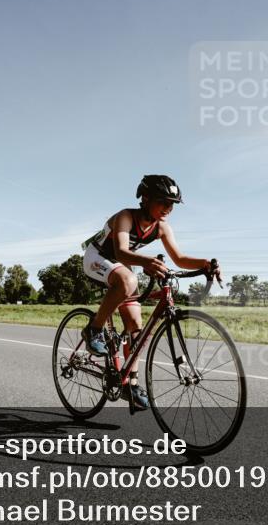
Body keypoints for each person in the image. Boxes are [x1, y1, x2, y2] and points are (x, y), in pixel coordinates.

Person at [81, 175, 220, 411]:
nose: (168, 208)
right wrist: (147, 262)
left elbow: (179, 258)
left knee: (135, 324)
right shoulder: (125, 217)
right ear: (145, 199)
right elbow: (122, 251)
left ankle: (130, 383)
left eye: (172, 204)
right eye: (163, 202)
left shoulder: (161, 227)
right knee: (128, 278)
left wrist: (205, 263)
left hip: (123, 265)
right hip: (98, 257)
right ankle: (93, 329)